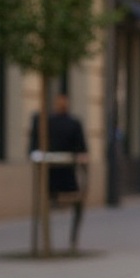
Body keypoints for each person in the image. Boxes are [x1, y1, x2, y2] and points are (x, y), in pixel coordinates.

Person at [29, 93, 88, 249]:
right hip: (57, 175)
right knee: (64, 202)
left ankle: (70, 241)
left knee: (74, 202)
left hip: (62, 175)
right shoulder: (50, 122)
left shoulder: (72, 123)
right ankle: (48, 242)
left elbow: (82, 149)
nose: (61, 104)